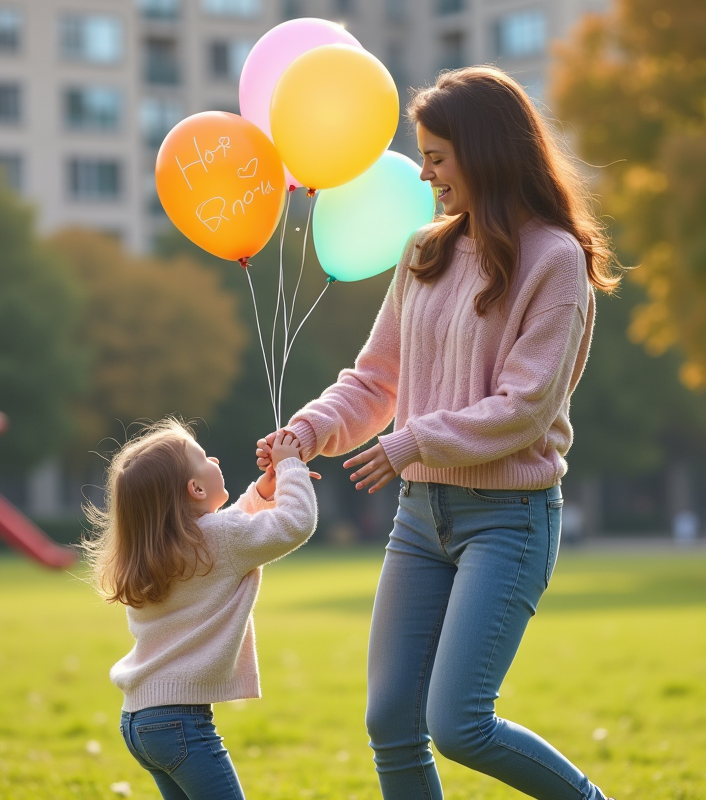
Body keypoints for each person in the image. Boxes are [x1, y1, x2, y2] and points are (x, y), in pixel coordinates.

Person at [259, 67, 616, 800]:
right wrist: (306, 430)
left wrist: (411, 442)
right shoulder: (425, 250)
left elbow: (524, 406)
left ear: (484, 153)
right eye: (423, 155)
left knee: (459, 724)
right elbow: (374, 380)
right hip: (419, 521)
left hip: (507, 521)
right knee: (391, 720)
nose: (424, 173)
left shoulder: (556, 260)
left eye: (437, 156)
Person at [85, 421, 317, 799]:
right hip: (181, 724)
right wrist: (292, 467)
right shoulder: (220, 539)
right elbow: (295, 524)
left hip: (139, 720)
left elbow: (229, 535)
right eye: (202, 457)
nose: (215, 458)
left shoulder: (161, 550)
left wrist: (261, 493)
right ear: (195, 488)